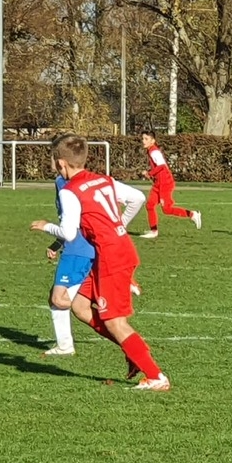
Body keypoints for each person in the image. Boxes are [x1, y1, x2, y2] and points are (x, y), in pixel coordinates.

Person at [31, 135, 169, 391]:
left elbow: (68, 233)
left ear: (61, 163)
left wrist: (46, 226)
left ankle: (155, 376)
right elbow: (138, 198)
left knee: (114, 321)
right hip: (113, 250)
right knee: (80, 306)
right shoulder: (103, 179)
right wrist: (118, 226)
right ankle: (134, 350)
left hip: (112, 256)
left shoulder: (69, 191)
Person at [42, 134, 146, 357]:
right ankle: (68, 344)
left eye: (51, 157)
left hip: (80, 247)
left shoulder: (68, 185)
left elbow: (73, 225)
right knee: (72, 304)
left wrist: (48, 229)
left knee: (60, 298)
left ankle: (125, 344)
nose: (51, 162)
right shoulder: (71, 181)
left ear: (60, 161)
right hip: (90, 245)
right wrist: (57, 243)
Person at [139, 130, 201, 238]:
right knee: (150, 205)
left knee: (166, 210)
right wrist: (152, 176)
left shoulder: (154, 152)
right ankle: (153, 231)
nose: (143, 141)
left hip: (165, 183)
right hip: (158, 183)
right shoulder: (150, 151)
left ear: (153, 141)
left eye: (146, 139)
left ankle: (192, 214)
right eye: (143, 138)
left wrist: (149, 173)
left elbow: (162, 166)